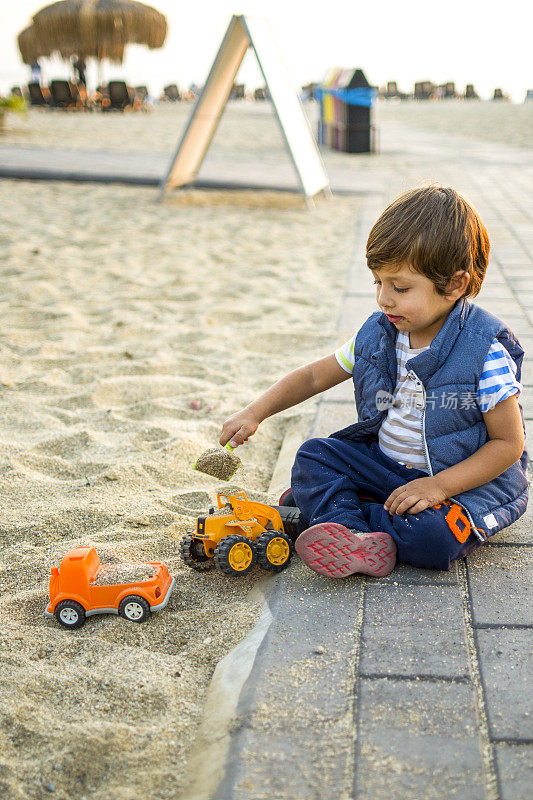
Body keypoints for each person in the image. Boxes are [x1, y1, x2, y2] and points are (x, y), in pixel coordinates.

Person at [220, 186, 528, 577]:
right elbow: (316, 374)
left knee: (434, 539)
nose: (384, 299)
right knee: (315, 455)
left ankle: (338, 514)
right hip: (384, 465)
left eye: (400, 288)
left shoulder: (484, 352)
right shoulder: (381, 334)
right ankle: (352, 532)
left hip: (457, 484)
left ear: (455, 285)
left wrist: (438, 488)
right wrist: (255, 411)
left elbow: (508, 445)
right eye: (377, 283)